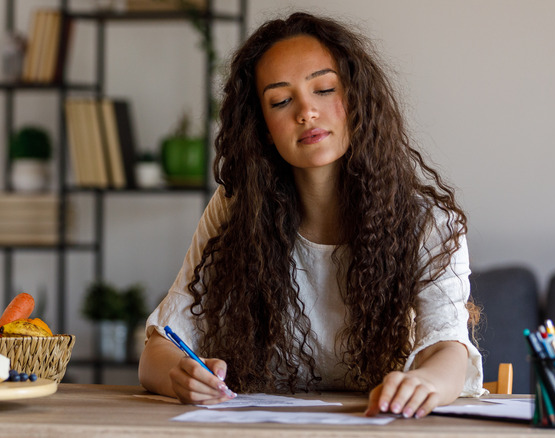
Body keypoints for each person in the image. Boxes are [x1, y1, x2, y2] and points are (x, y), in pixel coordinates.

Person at [138, 11, 484, 419]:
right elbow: (159, 349)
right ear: (262, 126)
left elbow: (448, 348)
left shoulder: (429, 222)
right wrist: (181, 374)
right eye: (281, 101)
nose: (306, 112)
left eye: (324, 89)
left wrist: (425, 382)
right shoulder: (236, 207)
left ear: (355, 98)